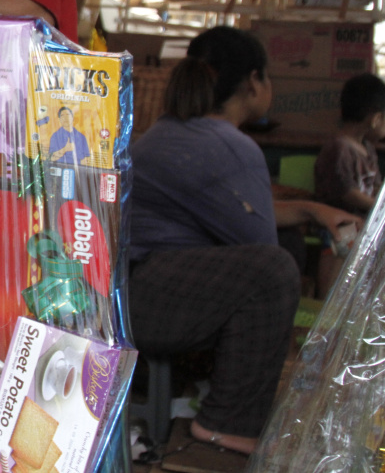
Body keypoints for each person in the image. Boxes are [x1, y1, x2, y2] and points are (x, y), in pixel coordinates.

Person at [128, 26, 360, 455]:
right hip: (146, 304)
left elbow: (247, 219)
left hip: (134, 292)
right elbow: (263, 250)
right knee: (275, 270)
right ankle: (225, 422)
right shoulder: (230, 147)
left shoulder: (169, 130)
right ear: (254, 81)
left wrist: (311, 209)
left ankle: (218, 388)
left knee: (283, 250)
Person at [314, 72, 385, 215]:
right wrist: (379, 209)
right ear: (376, 119)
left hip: (363, 223)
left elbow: (376, 187)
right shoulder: (338, 149)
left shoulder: (368, 148)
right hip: (339, 225)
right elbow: (347, 194)